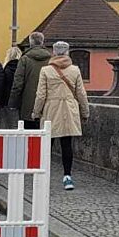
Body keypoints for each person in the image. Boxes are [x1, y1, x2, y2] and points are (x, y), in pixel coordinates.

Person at [32, 41, 89, 191]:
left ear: (54, 52)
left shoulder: (46, 70)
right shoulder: (75, 70)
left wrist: (36, 112)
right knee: (66, 144)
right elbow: (81, 94)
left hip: (51, 109)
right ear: (67, 52)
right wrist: (85, 112)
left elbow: (40, 95)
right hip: (69, 109)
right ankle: (67, 176)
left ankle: (44, 177)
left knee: (47, 145)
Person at [9, 32, 51, 129]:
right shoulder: (50, 59)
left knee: (29, 134)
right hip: (47, 102)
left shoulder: (25, 59)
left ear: (30, 42)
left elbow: (18, 83)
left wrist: (13, 102)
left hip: (27, 102)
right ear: (42, 42)